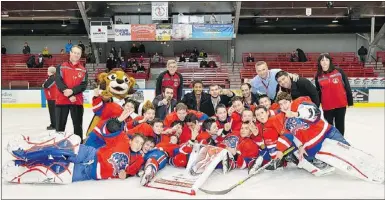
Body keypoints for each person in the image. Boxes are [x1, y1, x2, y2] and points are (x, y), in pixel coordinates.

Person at [3, 112, 146, 184]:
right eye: (137, 141)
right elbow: (109, 130)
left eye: (141, 144)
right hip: (90, 154)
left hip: (89, 173)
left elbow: (132, 171)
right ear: (132, 140)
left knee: (55, 168)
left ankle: (23, 166)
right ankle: (25, 153)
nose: (138, 145)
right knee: (57, 151)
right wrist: (118, 121)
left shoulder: (138, 159)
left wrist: (126, 174)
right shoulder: (123, 139)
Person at [55, 45, 88, 142]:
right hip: (62, 101)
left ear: (81, 55)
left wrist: (72, 91)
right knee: (60, 128)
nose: (76, 55)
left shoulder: (83, 69)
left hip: (77, 102)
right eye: (74, 52)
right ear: (70, 53)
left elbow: (83, 85)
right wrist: (69, 94)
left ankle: (79, 146)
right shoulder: (61, 66)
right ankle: (58, 147)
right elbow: (58, 81)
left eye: (78, 53)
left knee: (78, 126)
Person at [314, 53, 353, 135]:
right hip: (327, 106)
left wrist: (350, 101)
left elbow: (347, 86)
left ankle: (340, 139)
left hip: (340, 104)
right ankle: (332, 140)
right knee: (329, 126)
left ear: (330, 61)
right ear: (319, 63)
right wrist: (316, 105)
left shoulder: (339, 71)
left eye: (326, 60)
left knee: (340, 124)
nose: (324, 62)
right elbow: (318, 91)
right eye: (322, 60)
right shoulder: (318, 76)